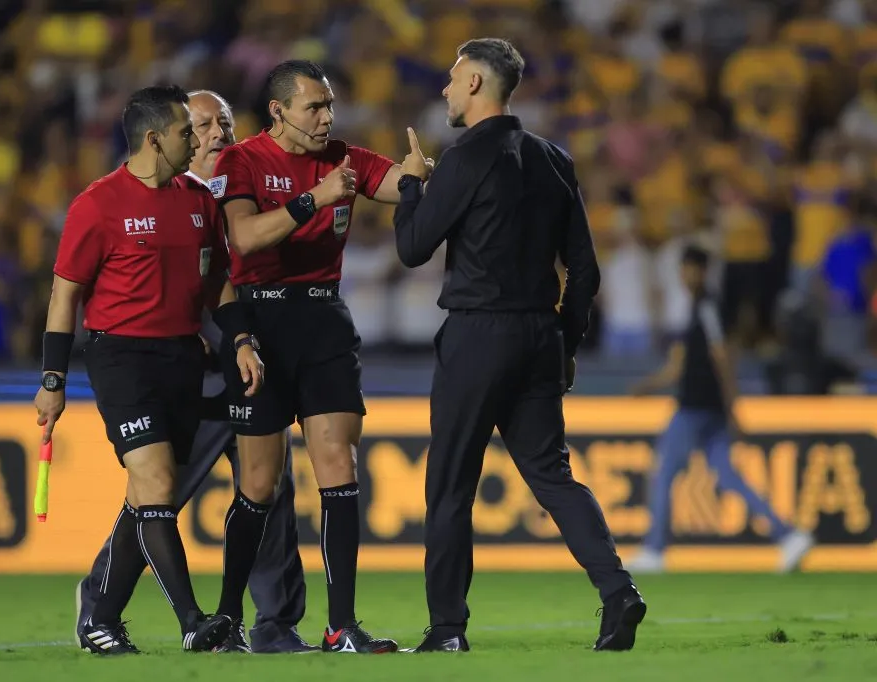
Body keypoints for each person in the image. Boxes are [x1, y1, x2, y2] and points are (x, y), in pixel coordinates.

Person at [392, 38, 644, 653]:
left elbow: (413, 247)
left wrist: (408, 187)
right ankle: (618, 592)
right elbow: (584, 270)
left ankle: (447, 629)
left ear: (477, 84)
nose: (446, 91)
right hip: (539, 336)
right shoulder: (553, 158)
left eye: (453, 80)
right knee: (554, 476)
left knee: (450, 483)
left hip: (479, 333)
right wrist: (567, 341)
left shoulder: (463, 157)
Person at [198, 59, 433, 654]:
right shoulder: (242, 160)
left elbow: (395, 189)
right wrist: (313, 199)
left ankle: (341, 626)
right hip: (259, 323)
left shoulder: (344, 160)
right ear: (277, 111)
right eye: (314, 107)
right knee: (258, 482)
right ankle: (227, 619)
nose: (327, 117)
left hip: (324, 320)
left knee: (339, 462)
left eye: (329, 105)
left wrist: (415, 178)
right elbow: (244, 238)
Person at [73, 89, 318, 655]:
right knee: (157, 493)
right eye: (202, 125)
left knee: (270, 490)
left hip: (255, 360)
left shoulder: (253, 182)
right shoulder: (172, 193)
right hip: (195, 369)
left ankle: (274, 624)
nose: (215, 135)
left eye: (225, 124)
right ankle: (100, 605)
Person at [34, 84, 264, 655]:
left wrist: (239, 339)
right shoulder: (98, 204)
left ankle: (101, 618)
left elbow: (218, 284)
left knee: (148, 497)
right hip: (121, 358)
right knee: (157, 483)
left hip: (183, 358)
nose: (198, 141)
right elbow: (64, 297)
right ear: (153, 138)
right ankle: (192, 621)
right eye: (187, 131)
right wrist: (52, 380)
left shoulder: (198, 201)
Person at [628, 244, 815, 573]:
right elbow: (680, 367)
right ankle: (789, 536)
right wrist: (648, 386)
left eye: (689, 269)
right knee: (728, 477)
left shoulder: (708, 306)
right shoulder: (700, 309)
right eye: (682, 269)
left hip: (696, 408)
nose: (685, 276)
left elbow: (722, 356)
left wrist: (733, 407)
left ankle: (655, 550)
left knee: (663, 473)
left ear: (701, 271)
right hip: (708, 408)